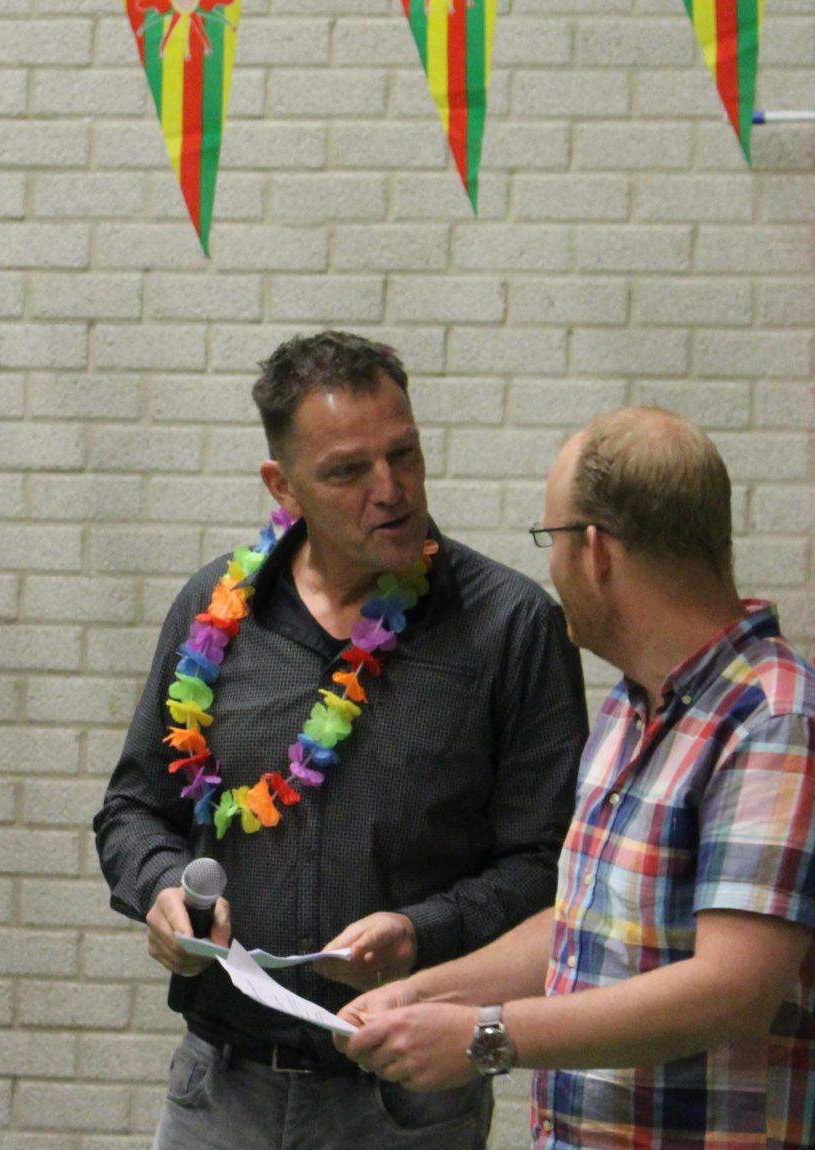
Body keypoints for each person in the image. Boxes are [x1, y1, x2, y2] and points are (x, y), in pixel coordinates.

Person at [336, 407, 815, 1150]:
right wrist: (422, 993)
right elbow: (586, 927)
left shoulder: (780, 724)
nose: (553, 569)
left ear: (595, 550)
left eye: (553, 540)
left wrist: (486, 1036)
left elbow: (731, 991)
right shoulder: (633, 709)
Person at [93, 331, 589, 1150]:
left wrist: (422, 930)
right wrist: (160, 889)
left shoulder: (510, 628)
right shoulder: (215, 613)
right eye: (348, 471)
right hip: (220, 1089)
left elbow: (551, 865)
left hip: (408, 1103)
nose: (390, 491)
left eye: (405, 455)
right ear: (282, 486)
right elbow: (133, 808)